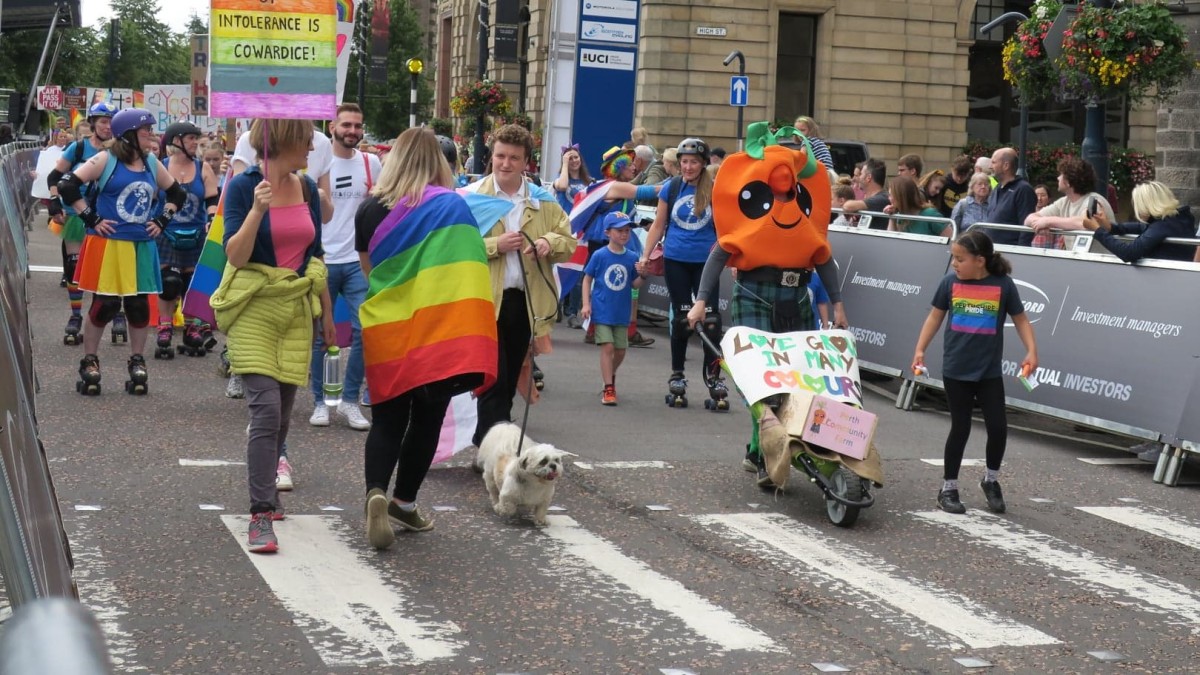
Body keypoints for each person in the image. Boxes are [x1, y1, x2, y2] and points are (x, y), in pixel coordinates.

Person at [683, 122, 848, 487]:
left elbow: (822, 256)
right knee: (761, 380)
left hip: (797, 295)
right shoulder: (751, 206)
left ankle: (768, 448)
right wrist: (700, 302)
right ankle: (763, 452)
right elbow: (720, 253)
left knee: (797, 378)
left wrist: (838, 304)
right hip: (754, 292)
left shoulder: (803, 204)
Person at [355, 128, 497, 549]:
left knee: (387, 419)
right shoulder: (451, 206)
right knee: (427, 417)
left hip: (387, 326)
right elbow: (467, 266)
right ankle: (404, 501)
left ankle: (375, 492)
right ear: (438, 161)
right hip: (435, 329)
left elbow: (371, 271)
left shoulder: (369, 209)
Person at [211, 118, 335, 553]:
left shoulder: (307, 189)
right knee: (265, 411)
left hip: (296, 309)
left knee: (282, 415)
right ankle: (260, 513)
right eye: (307, 139)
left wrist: (329, 316)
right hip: (255, 307)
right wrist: (257, 212)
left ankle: (267, 493)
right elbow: (235, 255)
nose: (313, 147)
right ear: (283, 140)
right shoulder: (244, 187)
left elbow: (315, 257)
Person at [56, 108, 189, 396]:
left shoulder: (151, 162)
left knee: (138, 305)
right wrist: (91, 218)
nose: (151, 135)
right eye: (146, 130)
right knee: (105, 304)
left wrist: (162, 220)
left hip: (140, 244)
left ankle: (137, 360)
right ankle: (90, 360)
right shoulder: (106, 159)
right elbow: (67, 185)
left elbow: (177, 193)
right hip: (108, 244)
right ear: (129, 134)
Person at [463, 124, 574, 449]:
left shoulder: (542, 200)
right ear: (492, 156)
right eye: (500, 156)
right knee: (493, 377)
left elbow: (568, 241)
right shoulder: (471, 197)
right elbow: (453, 247)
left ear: (526, 162)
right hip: (485, 300)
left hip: (524, 301)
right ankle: (492, 446)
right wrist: (495, 245)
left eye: (514, 158)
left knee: (511, 375)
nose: (505, 163)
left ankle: (490, 440)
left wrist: (547, 242)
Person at [912, 229, 1038, 515]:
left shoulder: (1003, 285)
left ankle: (991, 480)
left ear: (980, 260)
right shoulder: (949, 283)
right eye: (953, 258)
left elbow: (1021, 319)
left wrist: (1032, 351)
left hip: (989, 371)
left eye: (960, 259)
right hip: (956, 368)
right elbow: (934, 317)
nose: (955, 264)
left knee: (998, 427)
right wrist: (920, 349)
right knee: (961, 427)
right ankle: (948, 488)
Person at [308, 103, 381, 433]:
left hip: (357, 260)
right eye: (347, 125)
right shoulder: (318, 160)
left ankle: (350, 400)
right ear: (332, 127)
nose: (353, 131)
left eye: (357, 125)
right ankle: (320, 402)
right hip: (322, 259)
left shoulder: (371, 163)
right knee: (320, 335)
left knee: (365, 329)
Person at [634, 138, 720, 403]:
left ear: (703, 164)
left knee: (711, 321)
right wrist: (645, 255)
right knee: (682, 319)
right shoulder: (671, 188)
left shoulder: (715, 189)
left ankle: (714, 377)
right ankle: (677, 374)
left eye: (694, 162)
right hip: (676, 259)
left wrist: (735, 261)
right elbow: (658, 225)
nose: (688, 167)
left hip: (707, 262)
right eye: (684, 162)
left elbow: (725, 229)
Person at [46, 102, 118, 345]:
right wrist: (54, 202)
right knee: (74, 266)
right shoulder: (78, 148)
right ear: (93, 123)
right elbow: (54, 177)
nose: (108, 127)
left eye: (111, 122)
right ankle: (76, 315)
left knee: (107, 267)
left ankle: (115, 313)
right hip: (76, 215)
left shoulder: (120, 150)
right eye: (103, 122)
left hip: (105, 216)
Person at [154, 122, 219, 359]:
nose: (195, 142)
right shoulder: (161, 166)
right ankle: (164, 326)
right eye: (190, 138)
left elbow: (212, 199)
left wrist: (211, 219)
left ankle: (191, 327)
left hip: (195, 233)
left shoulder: (202, 167)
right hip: (167, 232)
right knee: (169, 282)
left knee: (190, 283)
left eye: (195, 138)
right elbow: (151, 197)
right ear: (177, 140)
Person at [581, 212, 640, 405]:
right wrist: (586, 304)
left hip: (621, 311)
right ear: (607, 232)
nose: (624, 234)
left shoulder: (632, 257)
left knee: (621, 350)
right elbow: (587, 279)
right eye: (619, 230)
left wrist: (644, 274)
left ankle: (610, 374)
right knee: (607, 346)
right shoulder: (599, 255)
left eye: (627, 231)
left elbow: (635, 284)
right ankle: (608, 387)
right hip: (602, 310)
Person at [1083, 181, 1197, 263]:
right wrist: (1109, 227)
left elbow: (1128, 253)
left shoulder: (1162, 226)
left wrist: (1098, 230)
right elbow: (1140, 227)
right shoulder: (1176, 219)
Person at [1024, 157, 1113, 250]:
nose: (1058, 178)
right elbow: (1028, 219)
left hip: (1100, 258)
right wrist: (1040, 224)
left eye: (1061, 175)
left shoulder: (1095, 200)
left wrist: (1047, 221)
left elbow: (1085, 222)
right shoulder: (1063, 202)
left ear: (1068, 182)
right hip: (1077, 257)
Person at [550, 143, 593, 326]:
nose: (574, 160)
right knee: (560, 269)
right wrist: (565, 165)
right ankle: (555, 304)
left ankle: (572, 313)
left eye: (576, 157)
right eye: (570, 158)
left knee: (578, 272)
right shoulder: (560, 180)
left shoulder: (589, 182)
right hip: (563, 231)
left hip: (582, 234)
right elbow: (562, 186)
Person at [986, 147, 1036, 246]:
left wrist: (1020, 251)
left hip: (1010, 251)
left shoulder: (1023, 189)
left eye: (994, 162)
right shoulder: (997, 188)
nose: (990, 167)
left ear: (1006, 165)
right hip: (992, 249)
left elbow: (1027, 227)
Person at [886, 175, 951, 237]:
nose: (889, 198)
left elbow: (952, 239)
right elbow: (891, 240)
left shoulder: (930, 214)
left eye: (891, 195)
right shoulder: (900, 215)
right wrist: (892, 218)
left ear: (901, 197)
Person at [840, 157, 890, 229]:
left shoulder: (882, 198)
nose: (859, 178)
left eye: (861, 174)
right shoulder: (875, 198)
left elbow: (848, 206)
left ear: (868, 177)